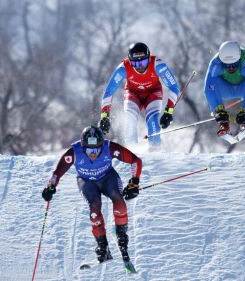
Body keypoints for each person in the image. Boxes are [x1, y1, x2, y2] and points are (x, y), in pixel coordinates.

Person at [41, 126, 142, 264]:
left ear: (102, 144)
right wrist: (50, 187)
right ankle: (102, 245)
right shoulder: (74, 152)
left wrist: (134, 182)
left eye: (96, 150)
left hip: (108, 178)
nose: (93, 154)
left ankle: (122, 234)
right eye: (89, 150)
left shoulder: (109, 147)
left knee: (118, 199)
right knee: (94, 208)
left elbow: (135, 160)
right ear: (82, 146)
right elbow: (57, 173)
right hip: (87, 182)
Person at [99, 42, 180, 148]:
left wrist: (168, 112)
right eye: (135, 64)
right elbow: (109, 92)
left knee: (153, 121)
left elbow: (174, 87)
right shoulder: (123, 68)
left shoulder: (158, 65)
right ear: (130, 61)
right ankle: (133, 151)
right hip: (133, 93)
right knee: (130, 120)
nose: (140, 67)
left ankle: (155, 151)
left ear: (149, 58)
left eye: (144, 62)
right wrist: (104, 116)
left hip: (153, 93)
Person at [203, 41, 245, 138]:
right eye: (227, 64)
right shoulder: (215, 63)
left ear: (239, 58)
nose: (231, 68)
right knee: (210, 83)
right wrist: (218, 111)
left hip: (244, 88)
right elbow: (208, 87)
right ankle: (224, 124)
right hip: (225, 89)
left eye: (234, 64)